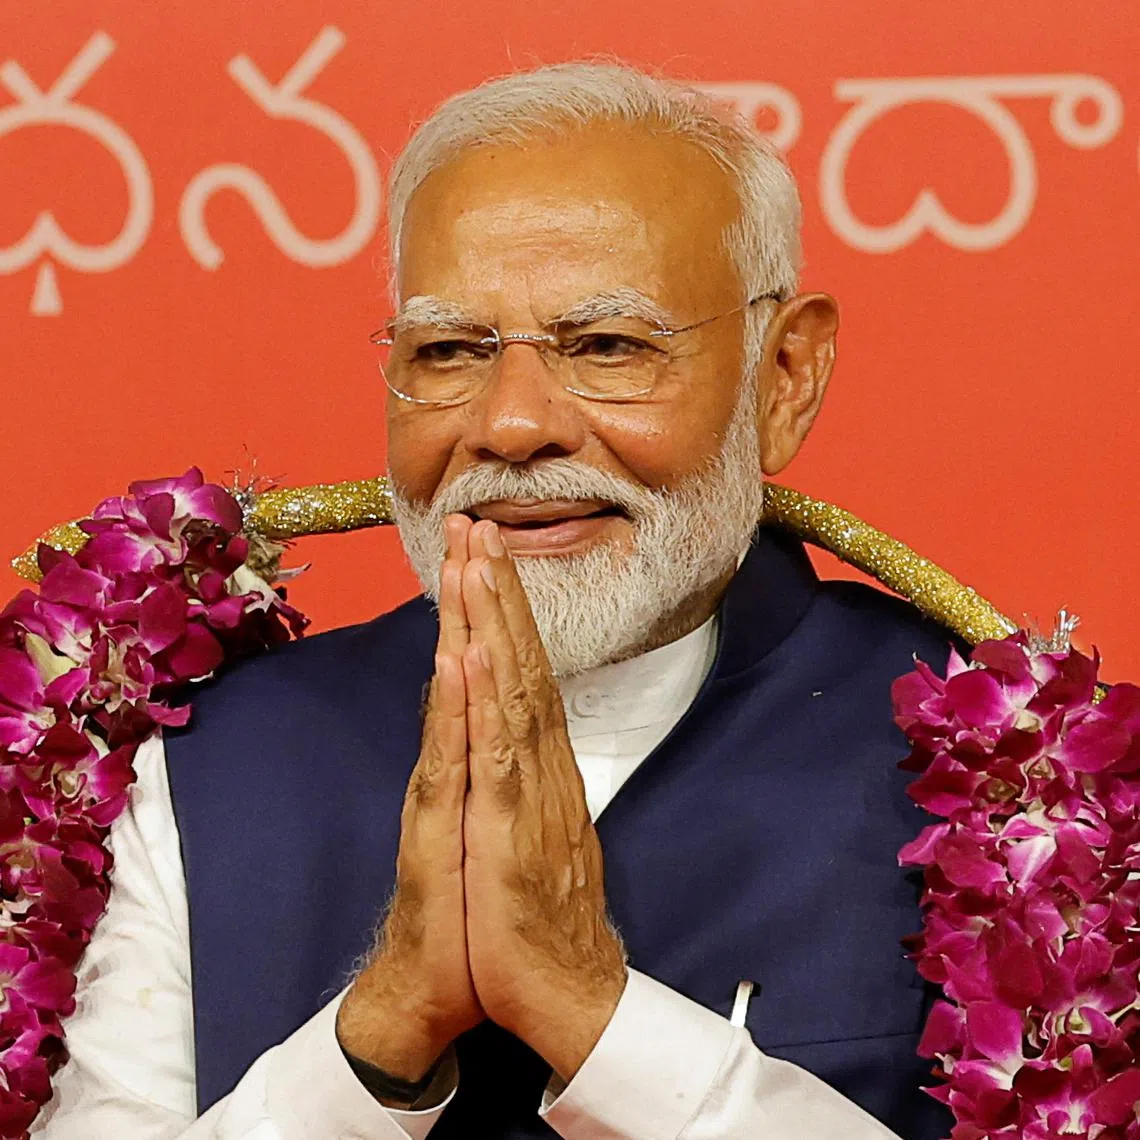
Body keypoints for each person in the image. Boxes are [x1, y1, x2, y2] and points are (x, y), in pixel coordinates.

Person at [35, 62, 955, 1138]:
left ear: (783, 375)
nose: (514, 426)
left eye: (609, 346)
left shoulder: (1002, 784)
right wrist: (377, 1037)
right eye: (450, 351)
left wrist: (599, 1020)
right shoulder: (209, 760)